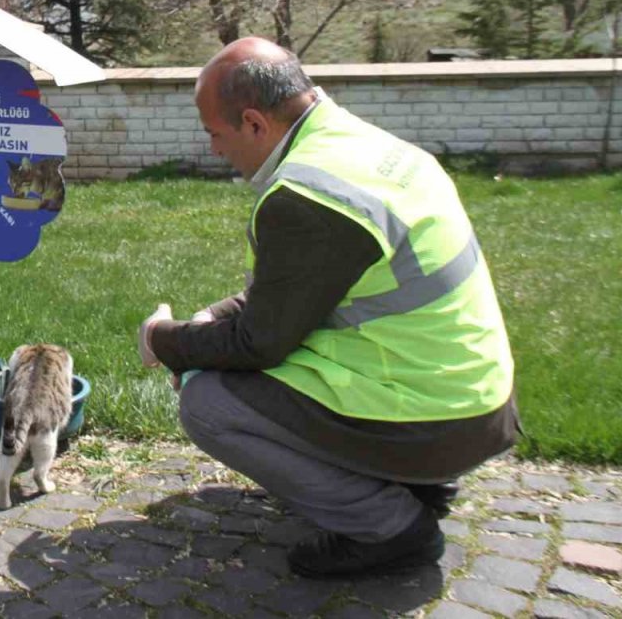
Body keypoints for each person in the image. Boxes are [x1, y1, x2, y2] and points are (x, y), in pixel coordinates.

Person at [137, 38, 518, 578]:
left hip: (436, 424)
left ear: (252, 123)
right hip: (471, 401)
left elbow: (259, 344)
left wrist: (163, 340)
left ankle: (391, 527)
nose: (214, 149)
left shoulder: (308, 197)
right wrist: (215, 317)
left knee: (207, 401)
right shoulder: (364, 149)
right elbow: (310, 289)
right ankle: (415, 485)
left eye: (214, 134)